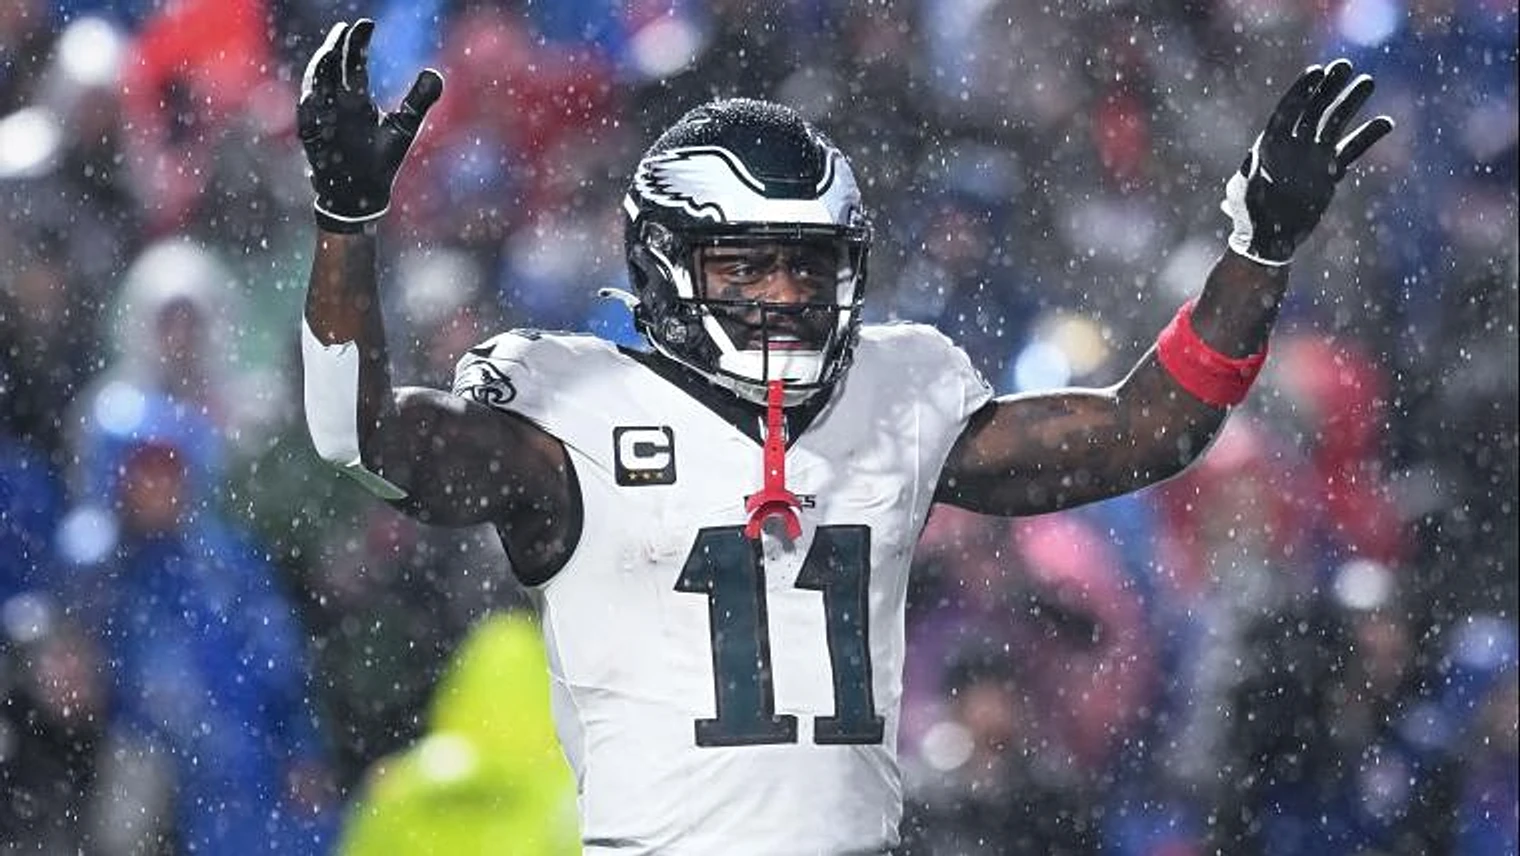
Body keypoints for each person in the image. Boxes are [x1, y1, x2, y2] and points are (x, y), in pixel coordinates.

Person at [295, 18, 1393, 854]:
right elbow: (358, 434)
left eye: (807, 265)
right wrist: (345, 227)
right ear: (664, 264)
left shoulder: (893, 392)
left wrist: (1255, 252)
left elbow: (1147, 431)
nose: (783, 294)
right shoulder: (572, 408)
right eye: (746, 264)